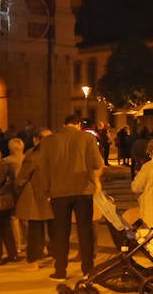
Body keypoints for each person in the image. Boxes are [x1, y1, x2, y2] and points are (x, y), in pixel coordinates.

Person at [36, 113, 105, 281]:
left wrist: (46, 191)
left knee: (61, 232)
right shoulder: (87, 139)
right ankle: (88, 270)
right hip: (83, 191)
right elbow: (97, 163)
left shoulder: (48, 141)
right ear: (78, 124)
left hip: (58, 192)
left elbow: (42, 168)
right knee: (85, 230)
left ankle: (60, 270)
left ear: (64, 124)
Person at [15, 130, 53, 265]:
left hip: (36, 194)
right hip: (55, 194)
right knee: (54, 227)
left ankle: (35, 256)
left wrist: (17, 188)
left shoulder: (34, 154)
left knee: (35, 228)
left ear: (36, 140)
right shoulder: (59, 152)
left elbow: (23, 176)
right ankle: (55, 254)